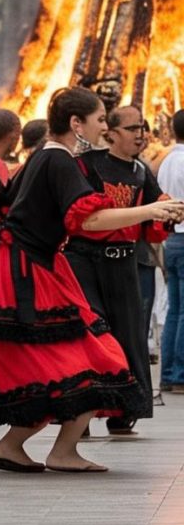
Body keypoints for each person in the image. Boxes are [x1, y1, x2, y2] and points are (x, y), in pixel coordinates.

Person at [0, 87, 184, 472]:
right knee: (94, 359)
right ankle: (52, 450)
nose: (104, 127)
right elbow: (90, 221)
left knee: (60, 364)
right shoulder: (59, 160)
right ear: (76, 123)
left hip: (27, 267)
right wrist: (149, 209)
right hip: (27, 271)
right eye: (100, 119)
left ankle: (21, 446)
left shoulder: (44, 157)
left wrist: (150, 210)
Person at [72, 104, 171, 435]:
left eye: (143, 128)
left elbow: (155, 217)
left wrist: (169, 212)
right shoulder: (87, 165)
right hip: (86, 261)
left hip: (125, 263)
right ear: (111, 134)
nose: (140, 135)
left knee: (129, 336)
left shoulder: (141, 171)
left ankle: (123, 411)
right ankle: (80, 414)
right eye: (132, 129)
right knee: (93, 334)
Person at [158, 109, 184, 394]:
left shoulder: (166, 161)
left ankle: (168, 373)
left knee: (175, 309)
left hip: (171, 238)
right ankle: (179, 375)